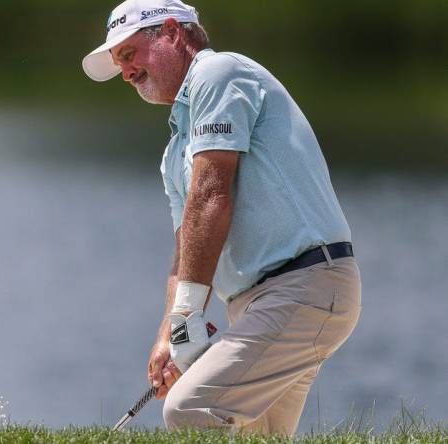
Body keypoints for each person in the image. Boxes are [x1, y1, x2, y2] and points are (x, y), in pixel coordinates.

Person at [82, 0, 362, 436]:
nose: (127, 72)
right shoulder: (175, 152)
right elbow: (186, 246)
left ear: (172, 33)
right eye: (120, 63)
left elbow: (213, 194)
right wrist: (170, 335)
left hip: (305, 286)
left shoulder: (220, 73)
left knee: (190, 410)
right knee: (258, 436)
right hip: (258, 303)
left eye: (130, 54)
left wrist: (188, 319)